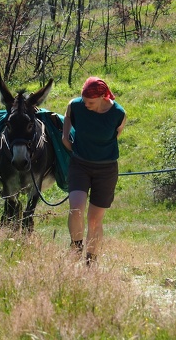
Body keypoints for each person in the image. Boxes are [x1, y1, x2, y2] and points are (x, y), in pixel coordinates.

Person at [62, 77, 126, 266]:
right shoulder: (76, 106)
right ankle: (76, 248)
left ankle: (91, 260)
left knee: (95, 219)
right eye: (84, 101)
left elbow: (115, 135)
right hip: (80, 164)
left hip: (106, 169)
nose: (86, 105)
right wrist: (65, 136)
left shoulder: (118, 114)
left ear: (103, 97)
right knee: (76, 208)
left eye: (90, 102)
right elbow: (67, 118)